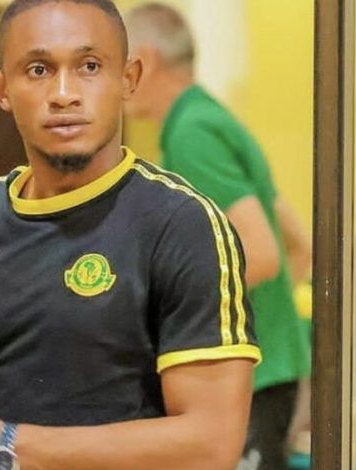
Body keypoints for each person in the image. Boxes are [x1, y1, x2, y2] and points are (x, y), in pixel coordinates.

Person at [0, 1, 262, 469]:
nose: (64, 93)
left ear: (128, 78)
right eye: (38, 70)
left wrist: (11, 446)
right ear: (1, 89)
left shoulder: (182, 225)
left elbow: (210, 446)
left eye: (89, 66)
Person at [123, 4, 312, 469]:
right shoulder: (211, 118)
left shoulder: (192, 135)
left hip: (247, 378)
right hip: (272, 370)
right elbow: (297, 244)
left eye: (113, 64)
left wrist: (169, 312)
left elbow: (262, 255)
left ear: (145, 60)